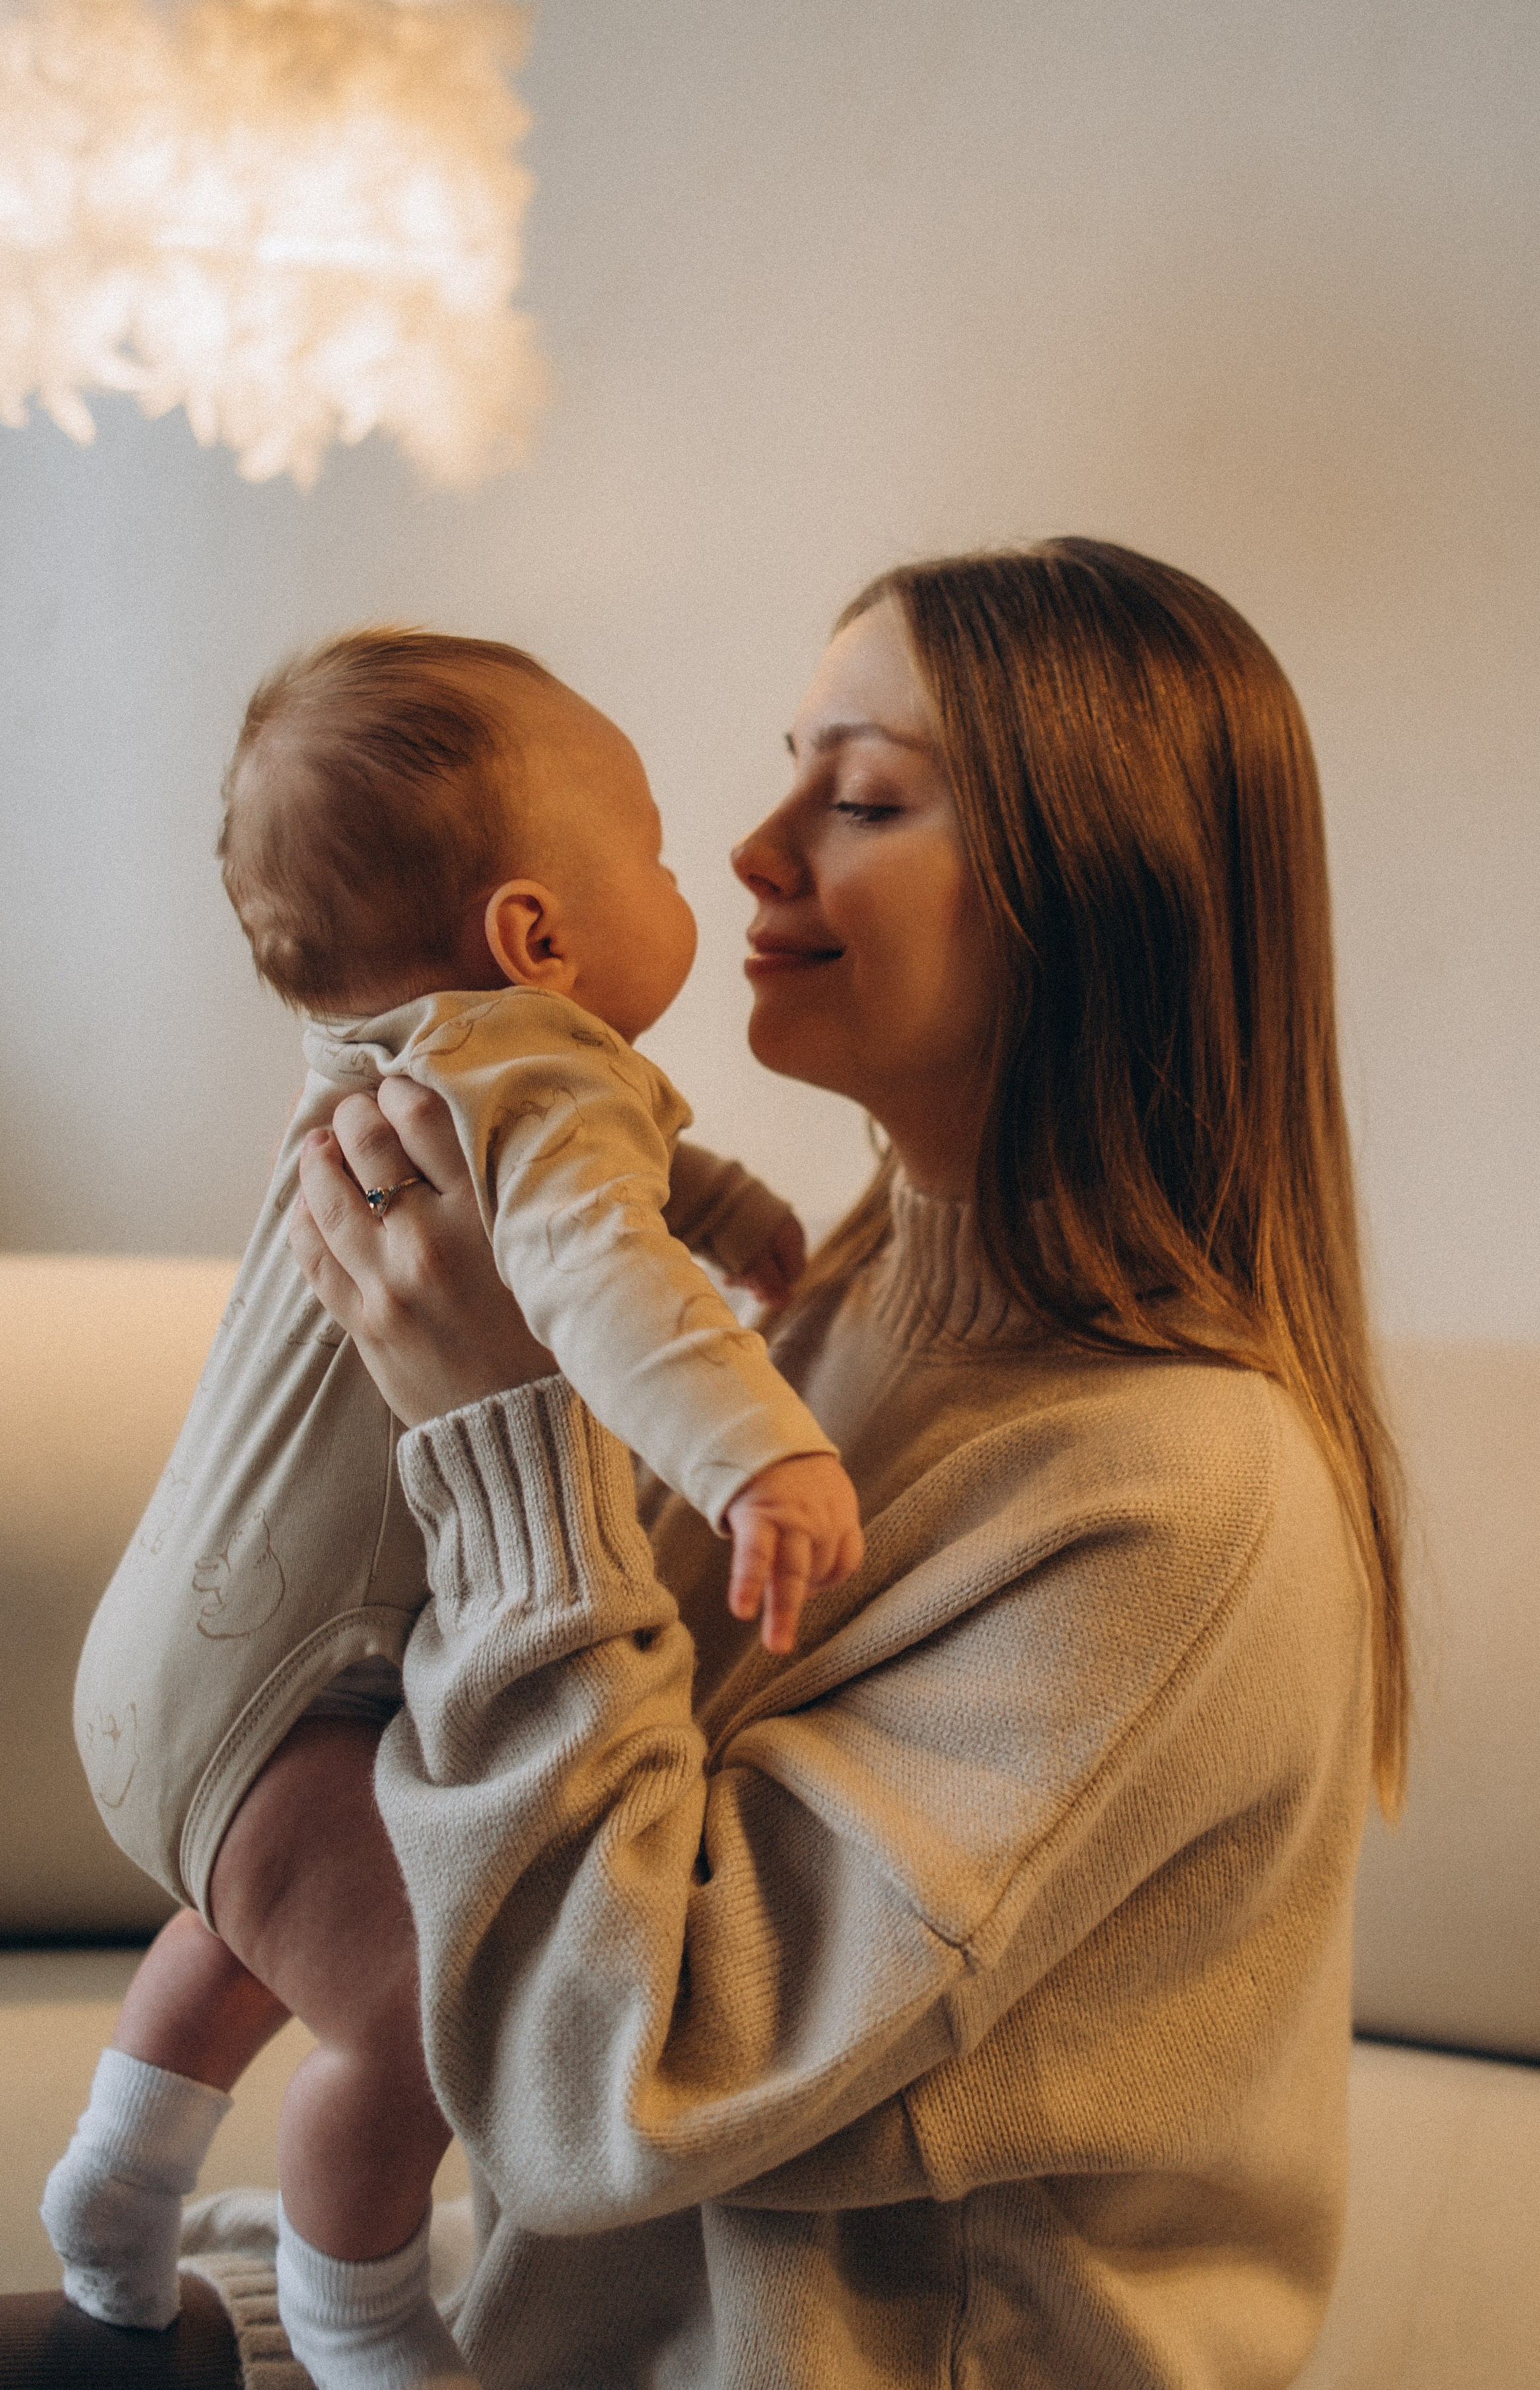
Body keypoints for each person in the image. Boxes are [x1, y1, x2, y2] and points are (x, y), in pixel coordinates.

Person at [250, 538, 1403, 2390]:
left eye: (860, 794)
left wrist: (499, 1436)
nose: (756, 847)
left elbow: (616, 2074)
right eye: (796, 767)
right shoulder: (821, 1300)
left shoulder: (1182, 1497)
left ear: (1089, 895)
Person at [42, 631, 862, 2390]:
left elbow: (587, 1188)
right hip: (285, 1698)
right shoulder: (538, 1068)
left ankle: (116, 2190)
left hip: (171, 1678)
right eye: (645, 848)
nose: (690, 869)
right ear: (535, 940)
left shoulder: (389, 1058)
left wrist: (713, 1193)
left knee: (260, 1925)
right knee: (424, 2018)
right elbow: (591, 1256)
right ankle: (362, 2323)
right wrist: (754, 1452)